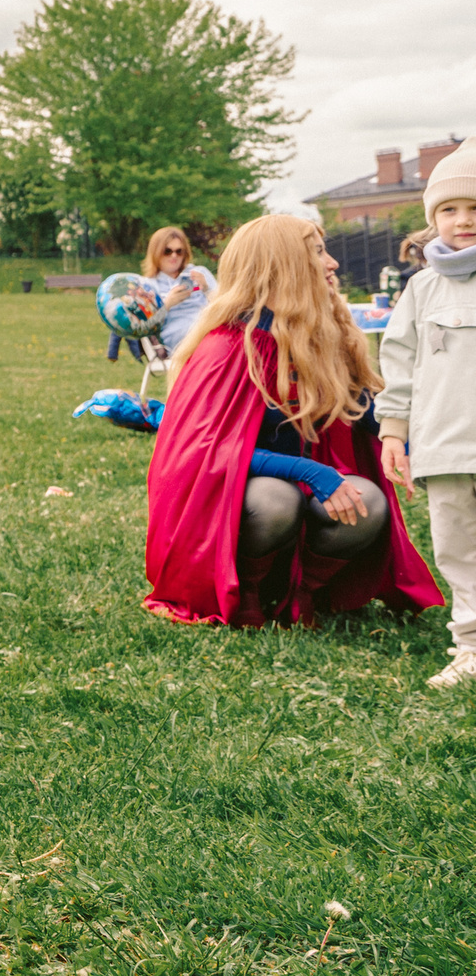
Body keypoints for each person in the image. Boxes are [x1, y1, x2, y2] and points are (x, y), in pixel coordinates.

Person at [143, 215, 439, 629]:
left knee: (367, 502)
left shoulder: (321, 336)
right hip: (236, 516)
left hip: (306, 496)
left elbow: (365, 410)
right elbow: (206, 452)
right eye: (318, 252)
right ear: (281, 264)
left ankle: (302, 594)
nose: (332, 263)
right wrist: (310, 471)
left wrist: (415, 443)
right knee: (276, 498)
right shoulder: (225, 346)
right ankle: (248, 594)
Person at [378, 144, 476, 688]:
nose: (463, 220)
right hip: (443, 445)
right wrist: (394, 432)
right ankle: (470, 647)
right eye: (449, 209)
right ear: (432, 217)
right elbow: (400, 364)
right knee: (456, 546)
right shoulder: (421, 288)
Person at [141, 225, 214, 362]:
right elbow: (146, 327)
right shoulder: (148, 285)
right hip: (178, 336)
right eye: (167, 251)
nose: (174, 256)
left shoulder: (199, 273)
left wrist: (206, 289)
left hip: (208, 328)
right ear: (156, 252)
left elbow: (226, 305)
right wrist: (167, 304)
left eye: (179, 251)